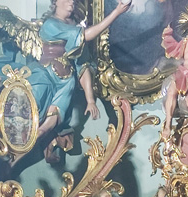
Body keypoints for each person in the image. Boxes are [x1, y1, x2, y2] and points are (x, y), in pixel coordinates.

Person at [24, 0, 133, 147]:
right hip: (46, 77)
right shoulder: (51, 24)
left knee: (46, 127)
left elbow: (82, 66)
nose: (71, 2)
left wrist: (90, 100)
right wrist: (116, 12)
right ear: (56, 2)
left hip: (66, 82)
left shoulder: (74, 27)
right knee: (30, 118)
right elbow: (85, 35)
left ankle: (43, 139)